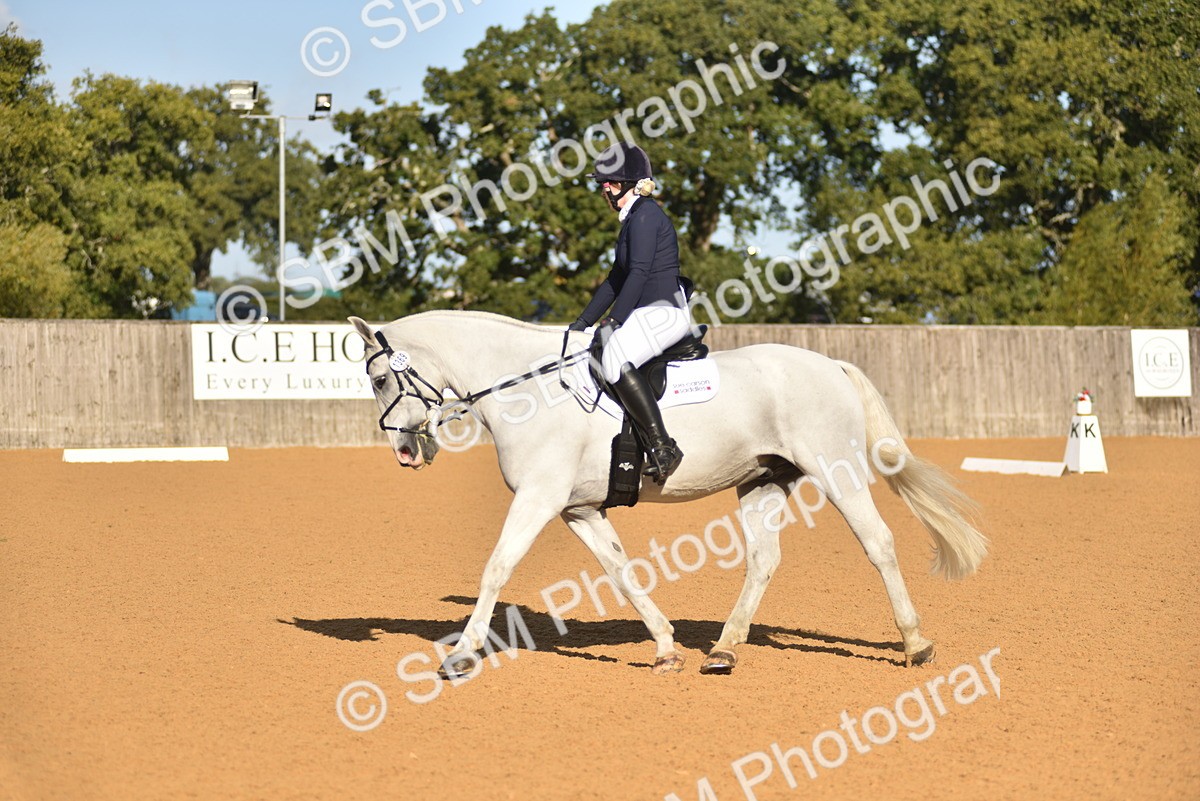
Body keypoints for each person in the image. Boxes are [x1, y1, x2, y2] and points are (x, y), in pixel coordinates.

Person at [568, 142, 692, 484]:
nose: (604, 187)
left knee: (613, 360)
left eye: (610, 181)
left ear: (632, 183)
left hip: (664, 311)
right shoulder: (633, 220)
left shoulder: (646, 217)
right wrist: (581, 323)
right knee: (592, 349)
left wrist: (613, 321)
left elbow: (638, 274)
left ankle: (663, 446)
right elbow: (615, 280)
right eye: (603, 182)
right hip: (645, 311)